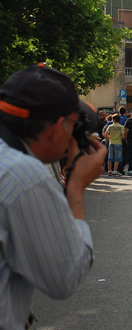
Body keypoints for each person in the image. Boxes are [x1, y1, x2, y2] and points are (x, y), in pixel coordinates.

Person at [0, 65, 106, 329]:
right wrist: (76, 188)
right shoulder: (23, 175)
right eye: (73, 124)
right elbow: (64, 278)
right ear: (58, 127)